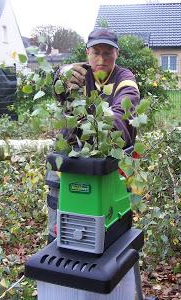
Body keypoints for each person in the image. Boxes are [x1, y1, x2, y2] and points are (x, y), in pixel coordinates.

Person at [46, 28, 141, 243]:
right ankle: (56, 239)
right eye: (96, 52)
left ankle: (113, 243)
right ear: (87, 52)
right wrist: (60, 77)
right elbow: (61, 93)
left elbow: (121, 116)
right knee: (62, 203)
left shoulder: (125, 80)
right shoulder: (79, 73)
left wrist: (90, 125)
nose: (101, 59)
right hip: (73, 155)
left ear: (117, 54)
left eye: (108, 53)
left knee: (112, 222)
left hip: (115, 160)